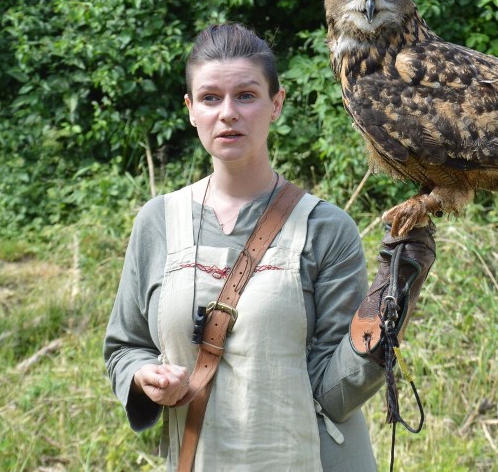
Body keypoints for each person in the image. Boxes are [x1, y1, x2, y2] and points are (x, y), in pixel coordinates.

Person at [103, 23, 435, 471]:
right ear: (190, 110)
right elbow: (125, 347)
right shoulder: (159, 222)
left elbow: (333, 393)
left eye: (246, 95)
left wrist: (384, 318)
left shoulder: (324, 228)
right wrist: (144, 378)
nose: (228, 113)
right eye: (210, 98)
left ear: (276, 103)